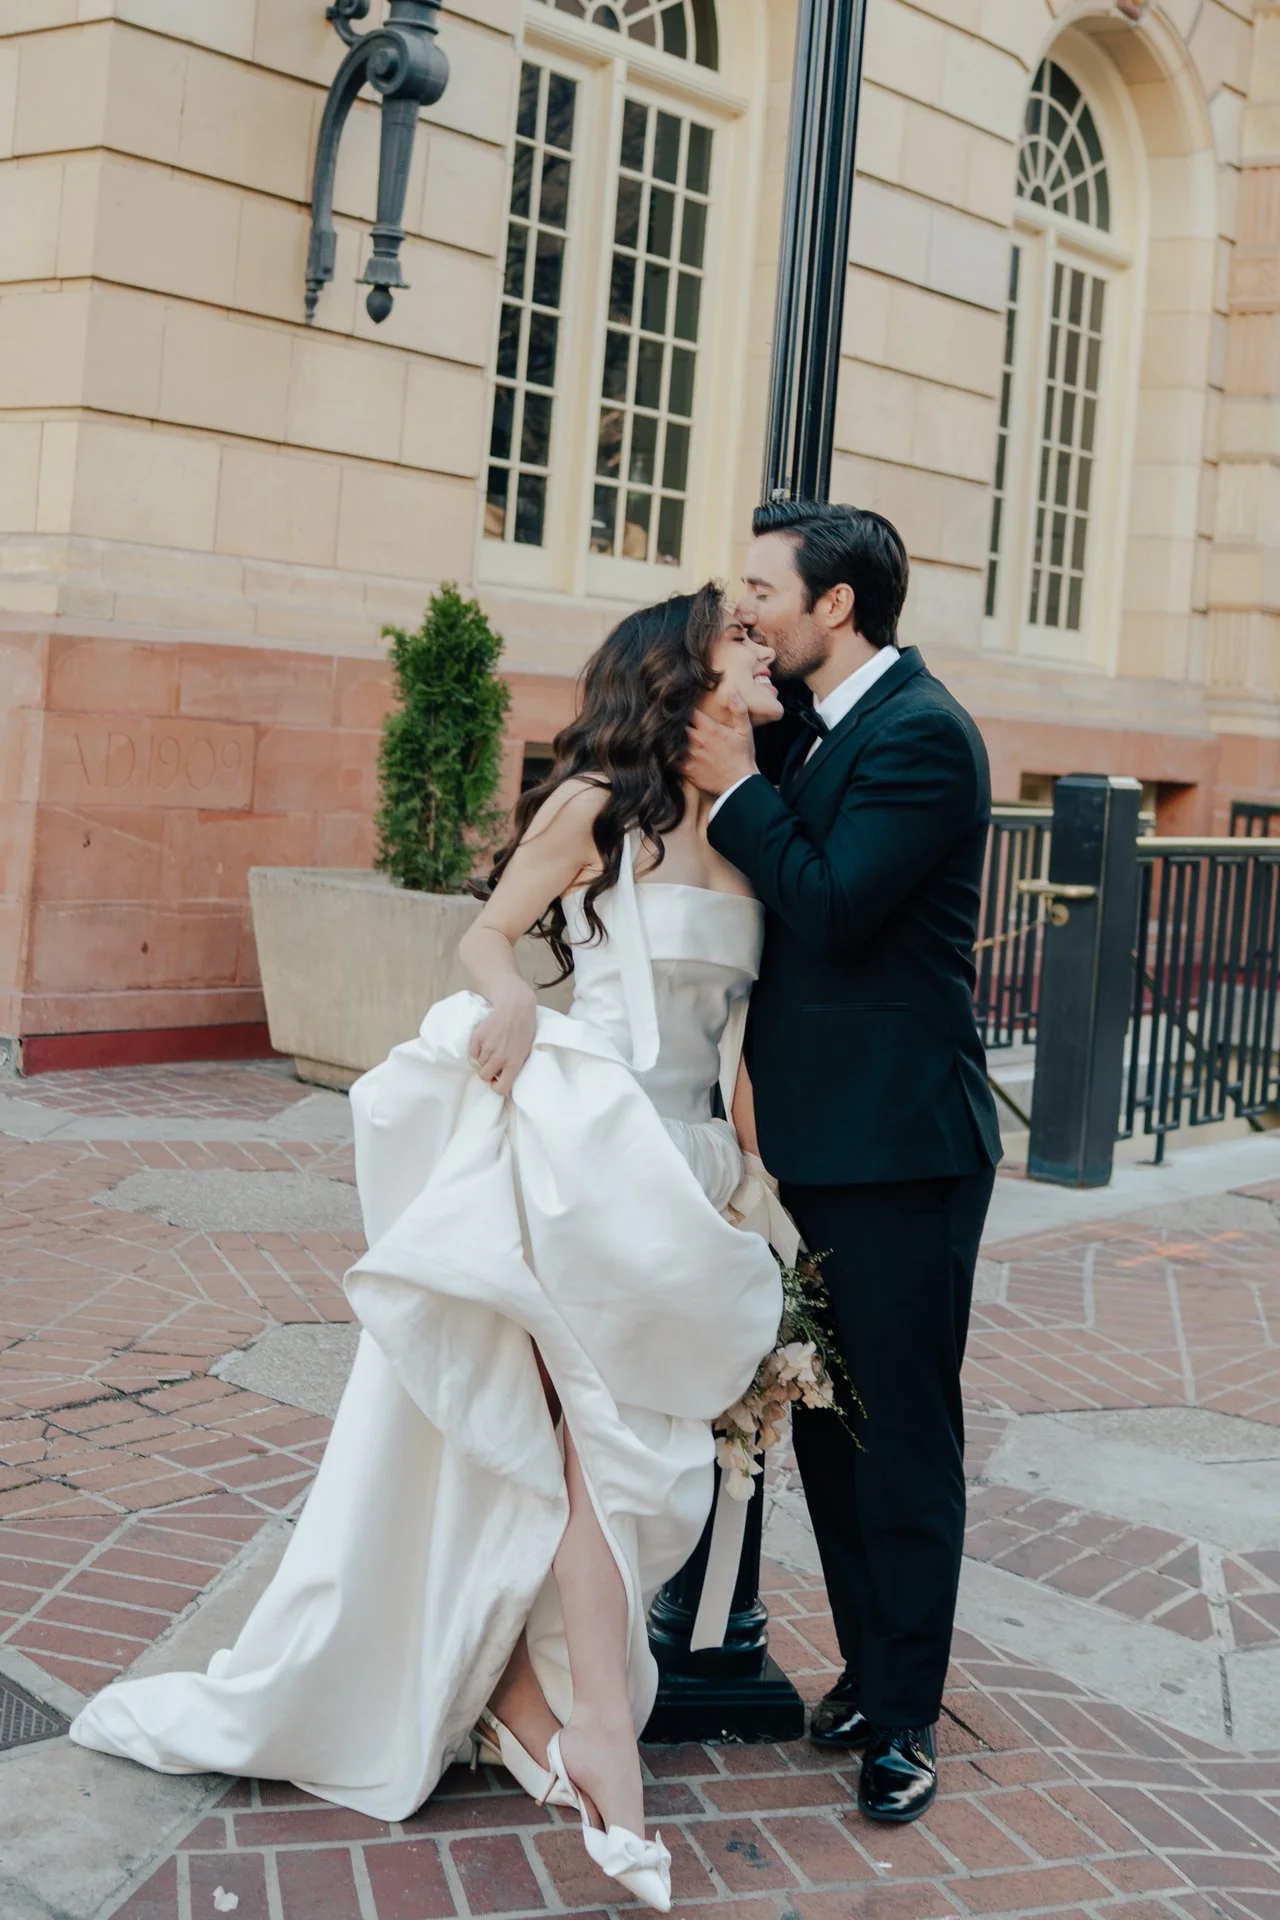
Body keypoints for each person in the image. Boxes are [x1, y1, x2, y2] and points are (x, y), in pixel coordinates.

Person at [70, 586, 787, 1914]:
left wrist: (759, 1180)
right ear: (684, 668)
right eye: (742, 639)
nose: (766, 652)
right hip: (584, 1161)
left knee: (642, 1468)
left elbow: (744, 1037)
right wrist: (509, 992)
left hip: (687, 1178)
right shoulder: (594, 809)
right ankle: (601, 1761)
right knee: (589, 1460)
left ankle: (521, 1697)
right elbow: (483, 931)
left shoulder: (757, 826)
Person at [684, 500, 1002, 1825]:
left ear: (839, 608)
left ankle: (905, 1719)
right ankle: (870, 1674)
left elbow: (835, 902)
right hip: (814, 1149)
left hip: (903, 1153)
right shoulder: (821, 723)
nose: (744, 603)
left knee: (902, 1442)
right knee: (828, 1426)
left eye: (764, 585)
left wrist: (743, 792)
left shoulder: (922, 736)